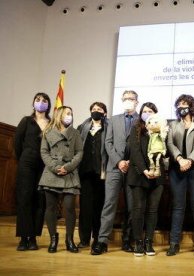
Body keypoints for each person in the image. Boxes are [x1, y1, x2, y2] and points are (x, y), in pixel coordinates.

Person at [92, 90, 139, 255]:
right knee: (109, 204)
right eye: (125, 98)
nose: (128, 101)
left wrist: (130, 162)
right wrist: (119, 161)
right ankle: (102, 241)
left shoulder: (142, 120)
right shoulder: (113, 120)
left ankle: (128, 240)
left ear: (136, 102)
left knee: (132, 206)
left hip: (134, 169)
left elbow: (142, 146)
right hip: (114, 168)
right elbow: (108, 143)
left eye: (131, 99)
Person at [166, 94, 194, 257]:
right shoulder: (172, 125)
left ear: (191, 106)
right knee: (178, 206)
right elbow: (170, 143)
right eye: (179, 104)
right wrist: (179, 159)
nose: (181, 107)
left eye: (184, 104)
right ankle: (174, 243)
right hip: (177, 167)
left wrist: (189, 160)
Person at [38, 106, 83, 253]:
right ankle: (53, 239)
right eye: (67, 113)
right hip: (52, 173)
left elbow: (79, 152)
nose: (70, 116)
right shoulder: (48, 132)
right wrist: (54, 167)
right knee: (50, 208)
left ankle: (69, 240)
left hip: (69, 173)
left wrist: (68, 167)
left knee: (69, 207)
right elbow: (44, 152)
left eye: (71, 113)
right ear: (59, 115)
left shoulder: (75, 133)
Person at [127, 102, 166, 257]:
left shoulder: (162, 129)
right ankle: (138, 242)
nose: (147, 114)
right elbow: (134, 152)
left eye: (151, 111)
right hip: (138, 175)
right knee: (138, 209)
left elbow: (165, 151)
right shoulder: (136, 129)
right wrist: (144, 170)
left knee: (152, 210)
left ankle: (149, 241)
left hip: (157, 176)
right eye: (144, 111)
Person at [14, 92, 51, 251]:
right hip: (27, 163)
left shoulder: (51, 123)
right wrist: (24, 158)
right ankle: (23, 237)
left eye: (44, 101)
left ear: (48, 105)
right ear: (33, 103)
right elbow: (17, 143)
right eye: (38, 100)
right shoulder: (26, 121)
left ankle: (33, 237)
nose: (41, 103)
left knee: (39, 199)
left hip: (44, 165)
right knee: (24, 198)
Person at [77, 102, 108, 249]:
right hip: (85, 172)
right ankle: (84, 239)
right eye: (94, 109)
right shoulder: (82, 128)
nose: (96, 111)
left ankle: (97, 238)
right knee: (85, 207)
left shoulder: (108, 128)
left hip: (101, 173)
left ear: (104, 113)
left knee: (99, 206)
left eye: (99, 109)